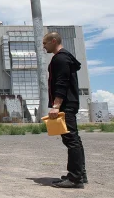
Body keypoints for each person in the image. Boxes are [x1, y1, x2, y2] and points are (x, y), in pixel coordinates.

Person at [43, 32, 87, 189]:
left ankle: (75, 178)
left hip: (65, 105)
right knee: (74, 139)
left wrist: (56, 105)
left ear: (54, 41)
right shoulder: (65, 57)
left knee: (71, 140)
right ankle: (80, 174)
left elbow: (61, 83)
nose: (44, 46)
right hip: (70, 103)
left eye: (45, 43)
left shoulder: (60, 58)